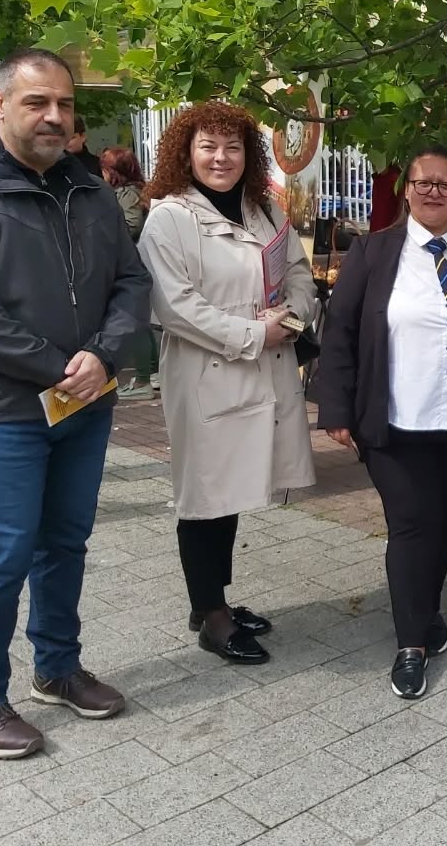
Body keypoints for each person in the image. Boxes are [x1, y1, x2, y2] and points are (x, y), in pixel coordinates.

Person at [0, 48, 151, 759]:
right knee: (2, 553)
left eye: (65, 105)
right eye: (37, 102)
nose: (54, 116)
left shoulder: (90, 191)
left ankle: (57, 668)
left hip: (84, 403)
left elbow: (132, 282)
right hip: (0, 410)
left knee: (65, 542)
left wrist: (103, 356)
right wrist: (59, 369)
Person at [316, 142, 447, 700]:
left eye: (445, 184)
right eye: (422, 182)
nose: (433, 191)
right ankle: (411, 645)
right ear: (406, 189)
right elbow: (341, 331)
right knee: (410, 524)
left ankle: (426, 613)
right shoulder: (373, 251)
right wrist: (336, 408)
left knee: (445, 520)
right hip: (397, 418)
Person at [138, 104, 316, 666]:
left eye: (233, 147)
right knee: (204, 494)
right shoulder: (170, 219)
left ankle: (211, 600)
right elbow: (175, 307)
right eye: (208, 147)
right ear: (186, 153)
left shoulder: (263, 210)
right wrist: (254, 334)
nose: (221, 158)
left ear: (248, 155)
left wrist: (292, 317)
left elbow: (298, 275)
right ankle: (212, 619)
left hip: (261, 365)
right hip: (207, 374)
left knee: (233, 488)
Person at [99, 147, 157, 402]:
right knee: (142, 323)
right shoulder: (132, 192)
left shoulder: (128, 194)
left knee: (135, 323)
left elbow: (132, 225)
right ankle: (150, 374)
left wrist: (105, 230)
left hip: (131, 265)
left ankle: (144, 378)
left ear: (114, 172)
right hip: (136, 263)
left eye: (104, 169)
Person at [64, 113, 101, 178]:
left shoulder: (98, 165)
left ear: (83, 136)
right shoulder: (50, 164)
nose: (66, 142)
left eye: (72, 137)